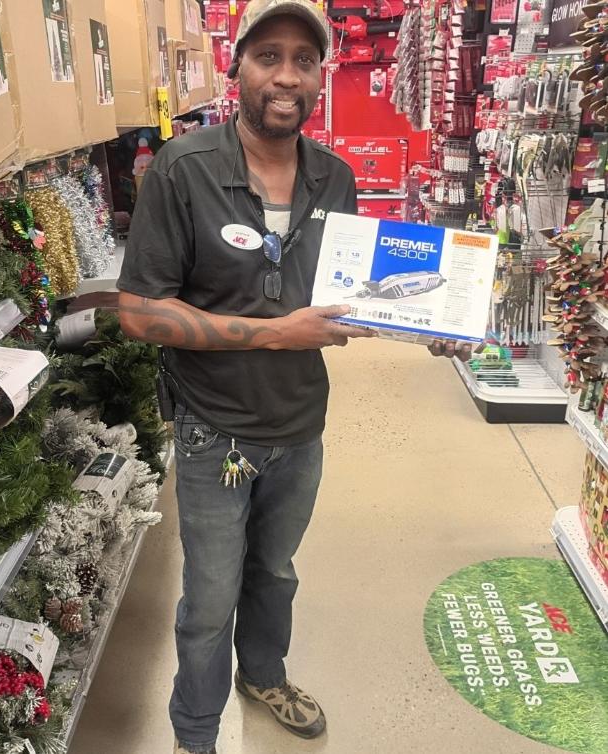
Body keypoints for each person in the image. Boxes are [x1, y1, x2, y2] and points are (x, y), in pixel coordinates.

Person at [115, 2, 471, 752]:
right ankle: (193, 733)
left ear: (319, 76)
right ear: (236, 66)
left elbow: (347, 296)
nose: (285, 76)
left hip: (299, 425)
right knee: (209, 598)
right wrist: (275, 333)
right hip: (215, 429)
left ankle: (263, 674)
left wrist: (435, 325)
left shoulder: (333, 180)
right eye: (268, 56)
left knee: (274, 572)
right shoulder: (183, 170)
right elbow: (141, 313)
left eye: (303, 61)